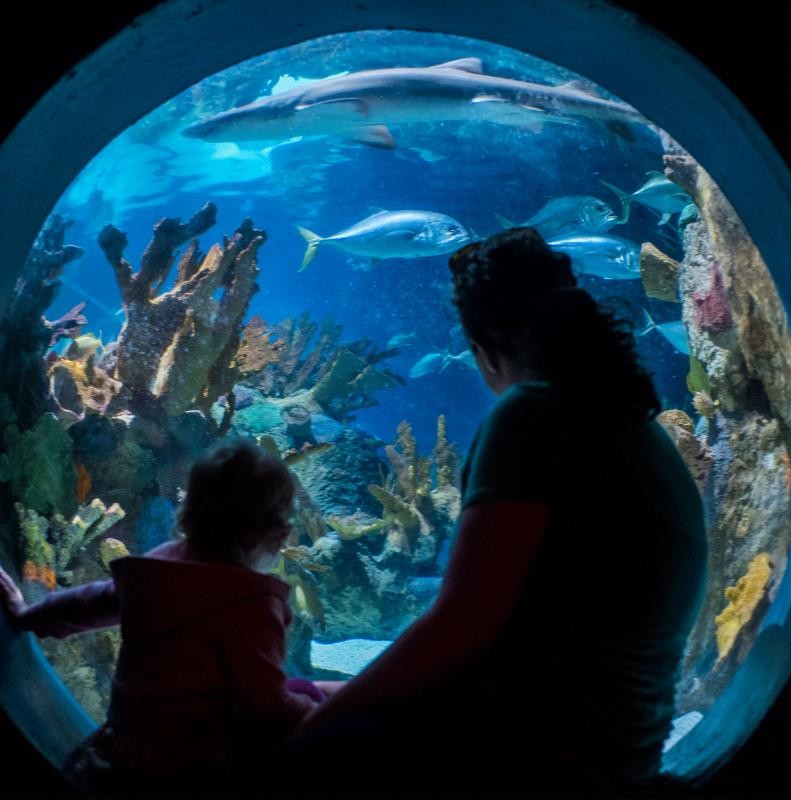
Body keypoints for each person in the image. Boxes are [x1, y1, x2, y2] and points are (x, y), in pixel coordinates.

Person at [290, 227, 708, 798]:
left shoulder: (533, 412)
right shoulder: (629, 420)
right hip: (610, 743)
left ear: (481, 346)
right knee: (307, 690)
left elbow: (463, 622)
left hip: (541, 752)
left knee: (275, 745)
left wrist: (323, 722)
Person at [0, 438, 329, 798]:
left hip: (114, 757)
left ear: (186, 515)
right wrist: (315, 711)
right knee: (307, 700)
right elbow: (266, 705)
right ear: (279, 536)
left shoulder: (159, 566)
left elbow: (88, 603)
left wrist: (28, 614)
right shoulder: (252, 606)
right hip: (191, 774)